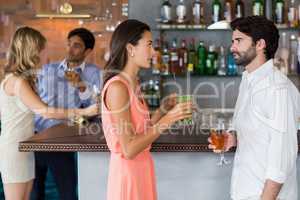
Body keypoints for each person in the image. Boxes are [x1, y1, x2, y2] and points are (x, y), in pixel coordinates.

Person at [0, 27, 98, 200]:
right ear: (29, 51)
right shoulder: (19, 81)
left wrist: (82, 93)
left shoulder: (21, 80)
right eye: (38, 50)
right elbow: (45, 111)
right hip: (18, 147)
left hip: (29, 145)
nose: (39, 56)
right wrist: (83, 111)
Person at [208, 16, 299, 200]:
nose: (232, 47)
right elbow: (260, 133)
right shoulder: (248, 80)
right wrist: (234, 139)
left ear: (260, 44)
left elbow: (282, 159)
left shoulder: (277, 89)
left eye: (239, 41)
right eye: (233, 41)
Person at [101, 19, 193, 200]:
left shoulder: (132, 84)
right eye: (149, 45)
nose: (153, 52)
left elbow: (141, 132)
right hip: (128, 175)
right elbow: (129, 149)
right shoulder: (118, 87)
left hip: (141, 170)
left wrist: (161, 111)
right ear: (130, 49)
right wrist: (168, 120)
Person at [32, 28, 101, 200]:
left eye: (76, 46)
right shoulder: (47, 69)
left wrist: (81, 86)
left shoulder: (94, 74)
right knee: (34, 193)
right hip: (36, 137)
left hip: (63, 140)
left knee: (67, 193)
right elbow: (34, 101)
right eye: (69, 44)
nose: (70, 49)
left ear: (88, 51)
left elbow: (98, 109)